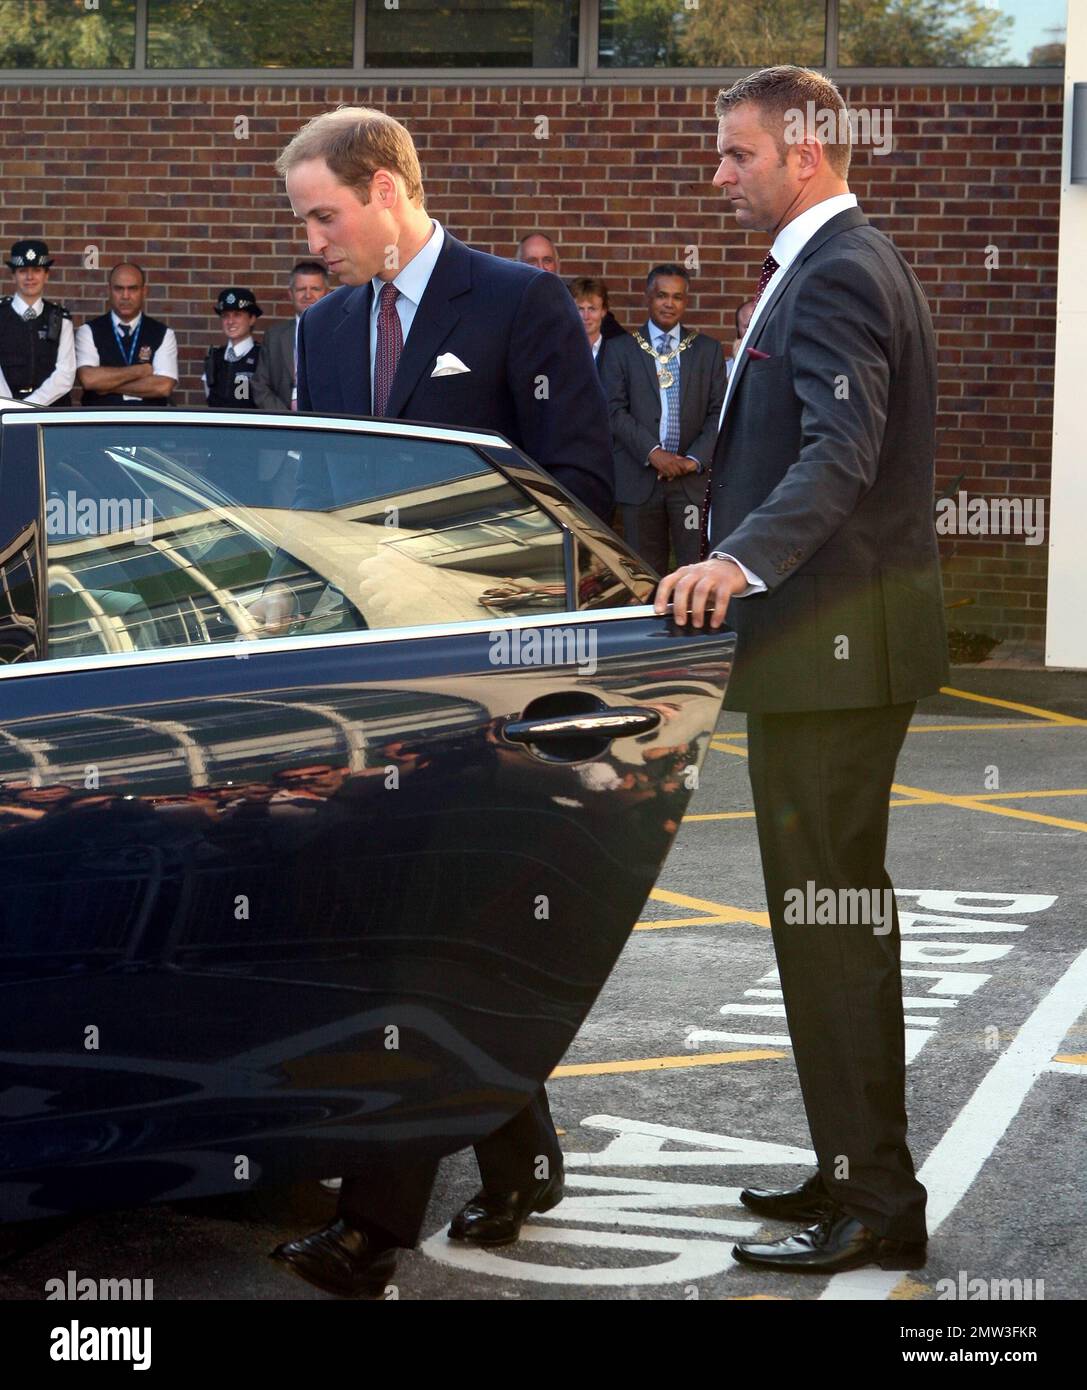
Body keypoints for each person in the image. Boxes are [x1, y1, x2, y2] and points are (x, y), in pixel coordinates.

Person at [267, 105, 613, 1299]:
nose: (312, 242)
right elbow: (308, 501)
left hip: (484, 681)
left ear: (386, 189)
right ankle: (519, 1151)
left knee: (411, 941)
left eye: (324, 215)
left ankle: (373, 1230)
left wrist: (439, 566)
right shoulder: (319, 331)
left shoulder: (519, 301)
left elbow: (581, 484)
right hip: (360, 684)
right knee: (419, 938)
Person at [655, 65, 948, 1275]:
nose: (718, 174)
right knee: (824, 919)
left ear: (804, 153)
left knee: (830, 924)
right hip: (828, 656)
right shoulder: (834, 263)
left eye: (737, 153)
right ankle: (852, 1167)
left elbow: (839, 453)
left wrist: (735, 560)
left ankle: (874, 1197)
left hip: (834, 656)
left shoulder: (835, 271)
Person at [603, 264, 726, 574]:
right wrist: (654, 454)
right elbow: (614, 411)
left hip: (690, 481)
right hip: (640, 478)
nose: (669, 303)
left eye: (677, 297)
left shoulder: (708, 350)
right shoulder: (620, 349)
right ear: (648, 296)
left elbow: (719, 413)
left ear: (686, 301)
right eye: (661, 295)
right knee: (645, 572)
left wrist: (692, 460)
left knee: (695, 570)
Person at [75, 262, 177, 406]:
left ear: (144, 291)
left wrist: (105, 386)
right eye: (119, 289)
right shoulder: (88, 331)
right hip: (101, 417)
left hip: (148, 418)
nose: (125, 296)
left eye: (132, 289)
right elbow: (89, 379)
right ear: (109, 290)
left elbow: (163, 387)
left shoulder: (163, 333)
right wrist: (139, 371)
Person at [0, 239, 75, 404]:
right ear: (13, 275)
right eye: (22, 271)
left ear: (46, 275)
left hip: (50, 410)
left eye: (36, 270)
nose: (30, 277)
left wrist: (28, 407)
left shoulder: (61, 318)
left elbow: (65, 374)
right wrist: (10, 407)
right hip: (4, 409)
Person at [251, 259, 330, 412]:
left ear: (327, 293)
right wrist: (285, 418)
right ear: (290, 294)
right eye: (301, 289)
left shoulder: (340, 333)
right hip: (281, 420)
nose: (308, 295)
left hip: (324, 421)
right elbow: (260, 385)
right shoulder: (274, 336)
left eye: (315, 289)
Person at [516, 232, 625, 340]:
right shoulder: (508, 304)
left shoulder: (575, 298)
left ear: (557, 264)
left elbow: (624, 340)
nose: (540, 268)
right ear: (517, 266)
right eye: (532, 262)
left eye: (547, 260)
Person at [203, 287, 263, 409]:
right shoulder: (215, 357)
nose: (230, 321)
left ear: (252, 319)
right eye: (225, 316)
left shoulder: (263, 357)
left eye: (237, 315)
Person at [568, 275, 612, 374]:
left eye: (592, 309)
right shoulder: (561, 351)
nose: (586, 316)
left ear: (603, 311)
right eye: (580, 309)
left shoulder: (617, 353)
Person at [726, 297, 756, 377]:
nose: (754, 331)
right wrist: (738, 364)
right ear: (738, 330)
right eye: (747, 327)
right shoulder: (726, 369)